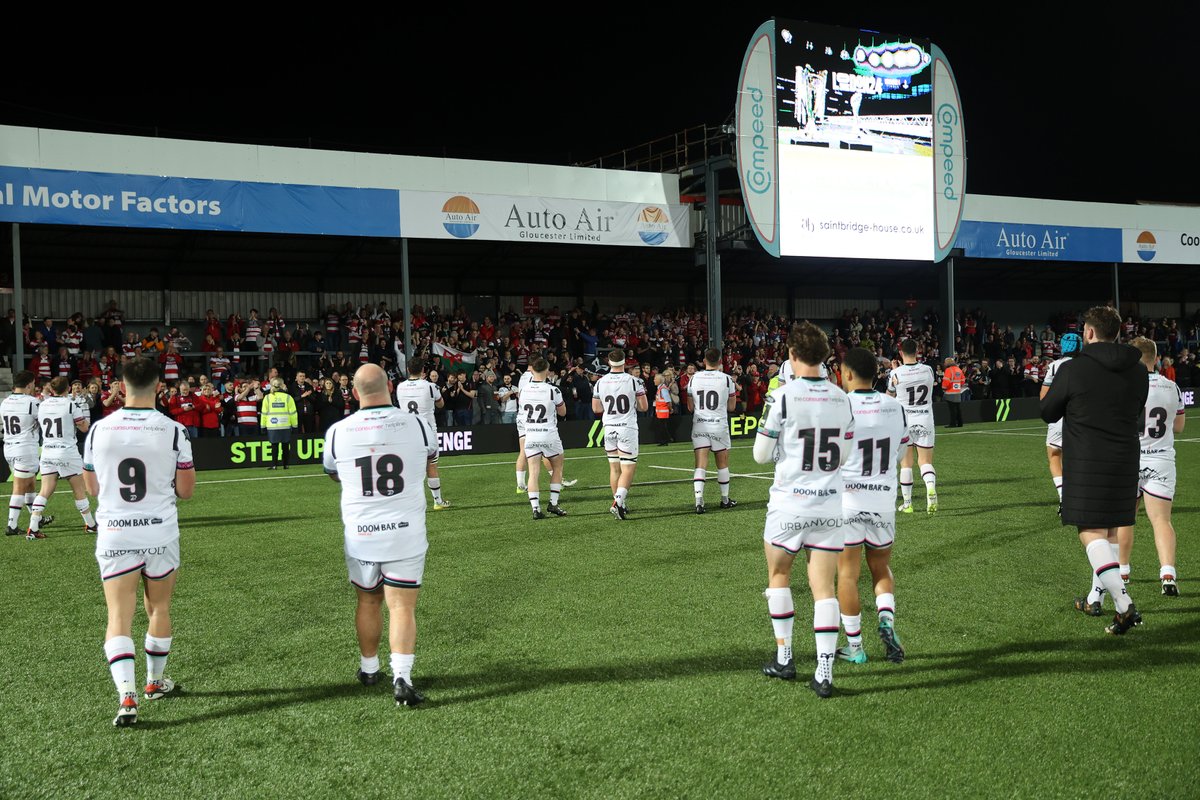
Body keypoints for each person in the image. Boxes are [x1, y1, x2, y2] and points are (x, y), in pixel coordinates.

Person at [83, 356, 195, 726]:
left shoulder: (99, 429)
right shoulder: (174, 430)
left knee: (118, 615)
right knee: (158, 608)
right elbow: (186, 491)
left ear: (121, 386)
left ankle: (127, 697)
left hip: (116, 531)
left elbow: (93, 487)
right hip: (159, 531)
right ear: (159, 385)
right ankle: (155, 682)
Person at [323, 363, 436, 707]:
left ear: (354, 393)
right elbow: (430, 460)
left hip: (362, 532)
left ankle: (369, 668)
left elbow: (333, 473)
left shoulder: (338, 431)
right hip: (405, 531)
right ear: (390, 385)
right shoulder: (418, 424)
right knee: (402, 606)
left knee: (368, 600)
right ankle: (402, 677)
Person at [754, 322, 854, 698]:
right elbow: (843, 454)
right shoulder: (841, 397)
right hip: (829, 503)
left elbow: (761, 455)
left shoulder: (782, 396)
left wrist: (784, 449)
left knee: (779, 575)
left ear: (792, 356)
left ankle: (786, 658)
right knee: (824, 588)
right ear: (826, 357)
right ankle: (824, 672)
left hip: (789, 502)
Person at [1041, 306, 1148, 635]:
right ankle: (1100, 599)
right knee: (1112, 531)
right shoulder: (1138, 369)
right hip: (1126, 456)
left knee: (1089, 530)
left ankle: (1123, 602)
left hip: (1088, 458)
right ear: (1116, 331)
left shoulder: (1075, 368)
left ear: (1089, 332)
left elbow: (1047, 411)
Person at [836, 348, 909, 666]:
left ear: (848, 374)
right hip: (883, 500)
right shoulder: (895, 407)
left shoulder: (839, 406)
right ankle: (887, 624)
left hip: (848, 501)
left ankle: (855, 646)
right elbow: (900, 451)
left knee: (847, 576)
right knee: (881, 568)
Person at [1113, 338, 1186, 598]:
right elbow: (1178, 427)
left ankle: (1122, 571)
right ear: (1155, 358)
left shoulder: (1123, 386)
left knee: (1124, 518)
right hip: (1161, 460)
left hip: (1130, 459)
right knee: (1162, 521)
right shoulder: (1172, 387)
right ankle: (1167, 574)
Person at [26, 377, 96, 539]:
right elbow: (84, 427)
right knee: (79, 490)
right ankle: (91, 525)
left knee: (44, 491)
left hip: (48, 451)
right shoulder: (71, 404)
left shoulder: (42, 405)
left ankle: (33, 528)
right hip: (67, 451)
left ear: (52, 389)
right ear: (67, 389)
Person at [592, 349, 648, 520]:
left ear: (609, 363)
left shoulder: (600, 382)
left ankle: (620, 503)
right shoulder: (634, 382)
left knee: (614, 468)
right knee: (628, 468)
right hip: (627, 428)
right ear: (625, 363)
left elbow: (596, 409)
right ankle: (618, 502)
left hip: (608, 428)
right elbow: (644, 407)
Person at [686, 347, 738, 513]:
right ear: (721, 361)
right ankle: (724, 499)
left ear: (704, 361)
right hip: (718, 425)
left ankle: (699, 502)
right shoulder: (727, 379)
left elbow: (689, 406)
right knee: (722, 463)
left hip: (700, 423)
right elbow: (731, 407)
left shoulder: (694, 378)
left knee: (700, 463)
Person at [888, 340, 938, 513]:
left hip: (904, 421)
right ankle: (931, 490)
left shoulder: (895, 372)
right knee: (925, 461)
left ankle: (908, 504)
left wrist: (896, 371)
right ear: (918, 350)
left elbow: (889, 394)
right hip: (924, 419)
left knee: (906, 464)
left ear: (900, 353)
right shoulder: (928, 370)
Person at [394, 361, 450, 510]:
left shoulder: (400, 387)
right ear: (423, 370)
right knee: (431, 465)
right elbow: (441, 404)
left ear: (407, 370)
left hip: (408, 433)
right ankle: (437, 501)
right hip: (427, 432)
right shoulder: (431, 386)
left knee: (410, 468)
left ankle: (410, 504)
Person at [1041, 333, 1083, 514]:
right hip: (1082, 418)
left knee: (1054, 455)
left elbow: (1044, 398)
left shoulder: (1054, 366)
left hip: (1059, 418)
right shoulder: (1088, 365)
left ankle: (1063, 497)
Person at [521, 357, 568, 519]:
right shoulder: (552, 390)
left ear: (531, 370)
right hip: (548, 433)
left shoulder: (524, 389)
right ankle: (553, 504)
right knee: (557, 467)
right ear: (547, 370)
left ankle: (535, 509)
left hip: (531, 434)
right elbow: (563, 412)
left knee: (533, 472)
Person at [3, 371, 44, 536]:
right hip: (25, 448)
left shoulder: (5, 401)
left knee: (29, 483)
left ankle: (37, 517)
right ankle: (11, 525)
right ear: (29, 384)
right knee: (19, 487)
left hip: (9, 447)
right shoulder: (32, 402)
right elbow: (44, 420)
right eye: (33, 384)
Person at [260, 378, 298, 470]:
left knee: (274, 446)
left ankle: (274, 465)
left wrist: (262, 426)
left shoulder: (267, 397)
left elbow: (264, 413)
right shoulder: (288, 397)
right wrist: (295, 425)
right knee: (285, 446)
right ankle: (286, 465)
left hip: (272, 426)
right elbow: (293, 413)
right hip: (285, 425)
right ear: (282, 385)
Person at [941, 356, 965, 428]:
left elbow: (946, 381)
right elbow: (963, 380)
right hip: (957, 392)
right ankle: (960, 423)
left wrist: (944, 388)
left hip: (950, 392)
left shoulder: (948, 370)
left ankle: (953, 423)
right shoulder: (958, 369)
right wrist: (957, 386)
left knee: (952, 409)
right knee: (957, 408)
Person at [653, 373, 672, 446]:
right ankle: (667, 439)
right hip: (660, 411)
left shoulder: (662, 389)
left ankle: (664, 441)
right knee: (662, 427)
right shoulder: (660, 389)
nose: (654, 380)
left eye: (655, 379)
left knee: (662, 427)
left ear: (659, 380)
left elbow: (668, 400)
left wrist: (670, 409)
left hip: (663, 412)